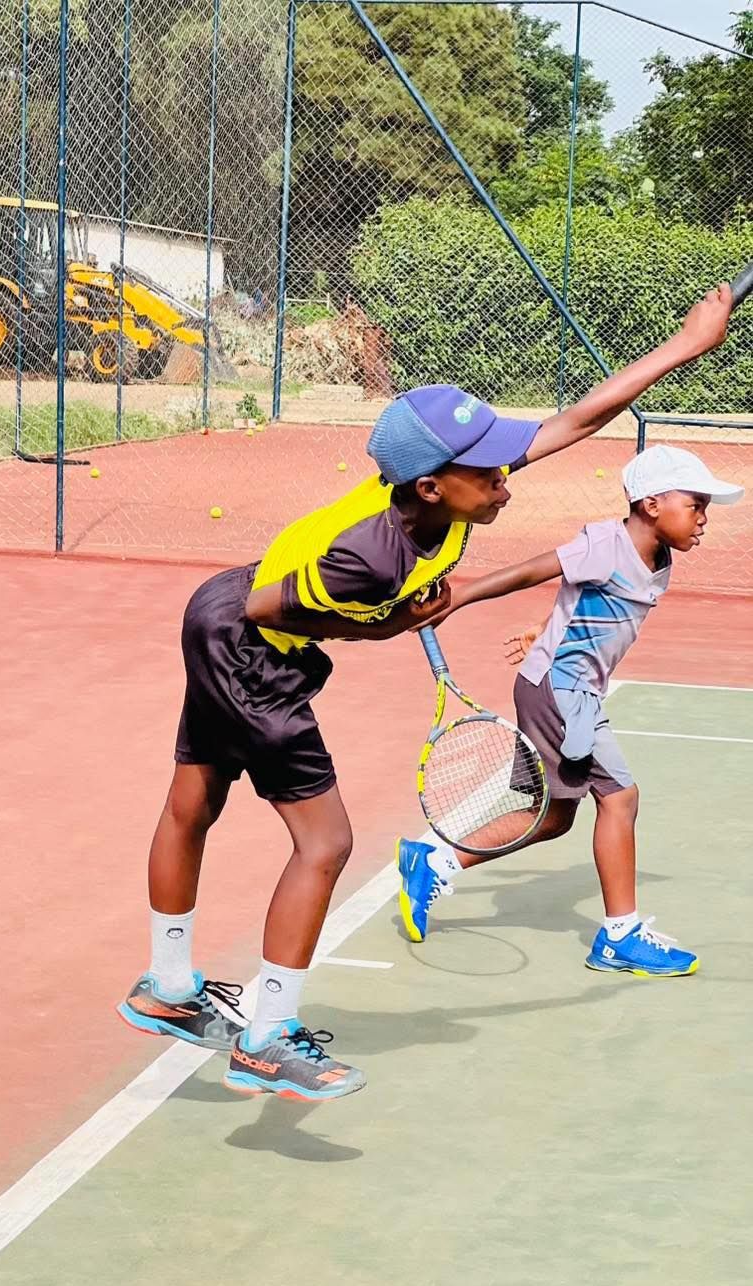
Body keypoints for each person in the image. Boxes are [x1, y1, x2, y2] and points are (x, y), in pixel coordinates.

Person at [119, 286, 734, 1100]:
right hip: (252, 644)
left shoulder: (439, 491)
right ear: (436, 486)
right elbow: (276, 609)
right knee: (325, 842)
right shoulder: (370, 556)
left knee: (193, 804)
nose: (507, 479)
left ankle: (166, 989)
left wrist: (686, 345)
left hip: (229, 615)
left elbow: (579, 418)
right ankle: (266, 1040)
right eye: (491, 471)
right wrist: (383, 623)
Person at [396, 442, 743, 976]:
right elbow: (535, 570)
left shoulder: (659, 556)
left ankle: (434, 861)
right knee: (620, 797)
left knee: (556, 817)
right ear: (651, 504)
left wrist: (549, 626)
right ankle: (619, 936)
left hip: (569, 688)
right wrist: (455, 599)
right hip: (562, 692)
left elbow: (583, 598)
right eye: (695, 505)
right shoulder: (608, 542)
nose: (703, 519)